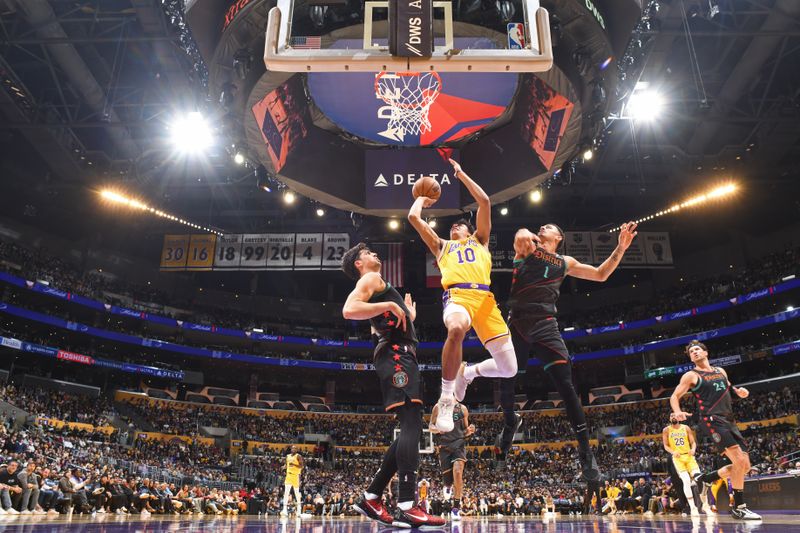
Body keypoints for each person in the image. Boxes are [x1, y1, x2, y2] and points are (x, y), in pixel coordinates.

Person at [497, 222, 638, 487]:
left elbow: (600, 274)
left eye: (547, 227)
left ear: (559, 237)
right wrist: (526, 236)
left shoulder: (566, 261)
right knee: (506, 378)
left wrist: (621, 247)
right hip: (517, 323)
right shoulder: (527, 249)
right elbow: (519, 238)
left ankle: (586, 453)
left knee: (566, 385)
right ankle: (509, 423)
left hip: (545, 324)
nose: (541, 227)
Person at [407, 158, 518, 432]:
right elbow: (413, 218)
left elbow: (485, 203)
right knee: (456, 328)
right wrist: (422, 198)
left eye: (459, 226)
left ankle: (469, 372)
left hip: (486, 301)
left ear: (469, 231)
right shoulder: (442, 246)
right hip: (458, 297)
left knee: (509, 368)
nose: (454, 228)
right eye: (452, 227)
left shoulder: (480, 240)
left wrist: (461, 174)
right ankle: (446, 399)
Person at [341, 243, 445, 528]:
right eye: (368, 253)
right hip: (396, 355)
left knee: (408, 429)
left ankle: (372, 496)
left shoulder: (377, 284)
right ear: (359, 264)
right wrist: (389, 304)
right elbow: (349, 310)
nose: (375, 255)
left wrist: (408, 316)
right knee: (412, 420)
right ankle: (407, 505)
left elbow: (385, 322)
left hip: (400, 353)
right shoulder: (370, 279)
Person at [670, 340, 761, 520]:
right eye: (691, 352)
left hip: (729, 420)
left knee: (745, 465)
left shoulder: (721, 371)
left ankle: (706, 479)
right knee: (738, 459)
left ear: (706, 352)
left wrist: (738, 391)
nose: (694, 353)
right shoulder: (691, 375)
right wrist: (677, 411)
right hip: (712, 419)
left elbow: (728, 385)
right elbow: (675, 395)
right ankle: (739, 507)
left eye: (697, 350)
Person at [429, 401, 475, 522]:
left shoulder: (462, 409)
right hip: (444, 447)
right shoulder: (437, 407)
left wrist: (470, 430)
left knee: (458, 471)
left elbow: (465, 430)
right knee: (448, 481)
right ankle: (447, 485)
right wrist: (438, 429)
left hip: (459, 444)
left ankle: (455, 508)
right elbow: (431, 427)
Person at [662, 413, 711, 515]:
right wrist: (673, 452)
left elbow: (693, 442)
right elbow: (666, 446)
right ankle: (692, 507)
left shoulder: (686, 428)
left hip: (689, 456)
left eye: (674, 415)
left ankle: (706, 505)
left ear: (679, 418)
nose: (673, 417)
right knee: (686, 481)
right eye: (671, 416)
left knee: (699, 479)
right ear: (669, 419)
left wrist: (693, 449)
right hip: (678, 458)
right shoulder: (666, 430)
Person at [280, 445, 304, 517]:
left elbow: (301, 466)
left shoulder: (298, 456)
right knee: (286, 492)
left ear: (297, 450)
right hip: (289, 475)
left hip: (295, 476)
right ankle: (284, 510)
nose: (293, 449)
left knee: (296, 493)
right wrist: (283, 467)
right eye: (292, 448)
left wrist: (294, 464)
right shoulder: (288, 456)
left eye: (295, 448)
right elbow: (286, 465)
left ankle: (299, 510)